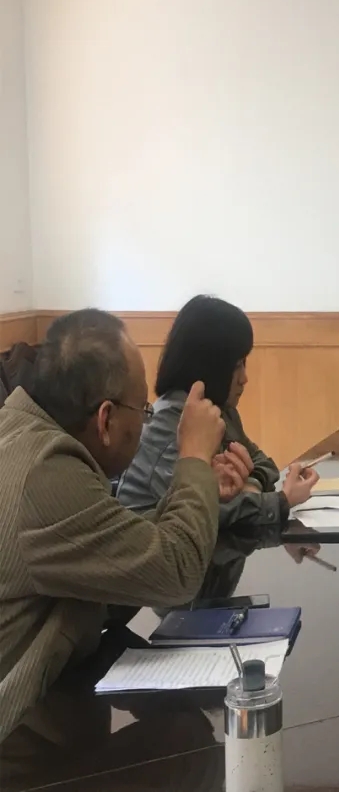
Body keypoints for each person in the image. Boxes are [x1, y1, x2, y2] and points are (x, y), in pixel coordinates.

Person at [0, 309, 251, 740]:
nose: (147, 419)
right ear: (106, 419)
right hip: (19, 742)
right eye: (143, 410)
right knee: (196, 749)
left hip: (53, 706)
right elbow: (176, 573)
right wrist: (193, 457)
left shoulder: (23, 433)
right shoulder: (46, 475)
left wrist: (200, 485)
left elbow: (118, 551)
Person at [117, 295, 320, 529]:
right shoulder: (170, 426)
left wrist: (250, 486)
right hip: (153, 547)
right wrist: (283, 501)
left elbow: (265, 465)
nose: (244, 378)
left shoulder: (221, 411)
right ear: (210, 365)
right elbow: (209, 512)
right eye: (237, 366)